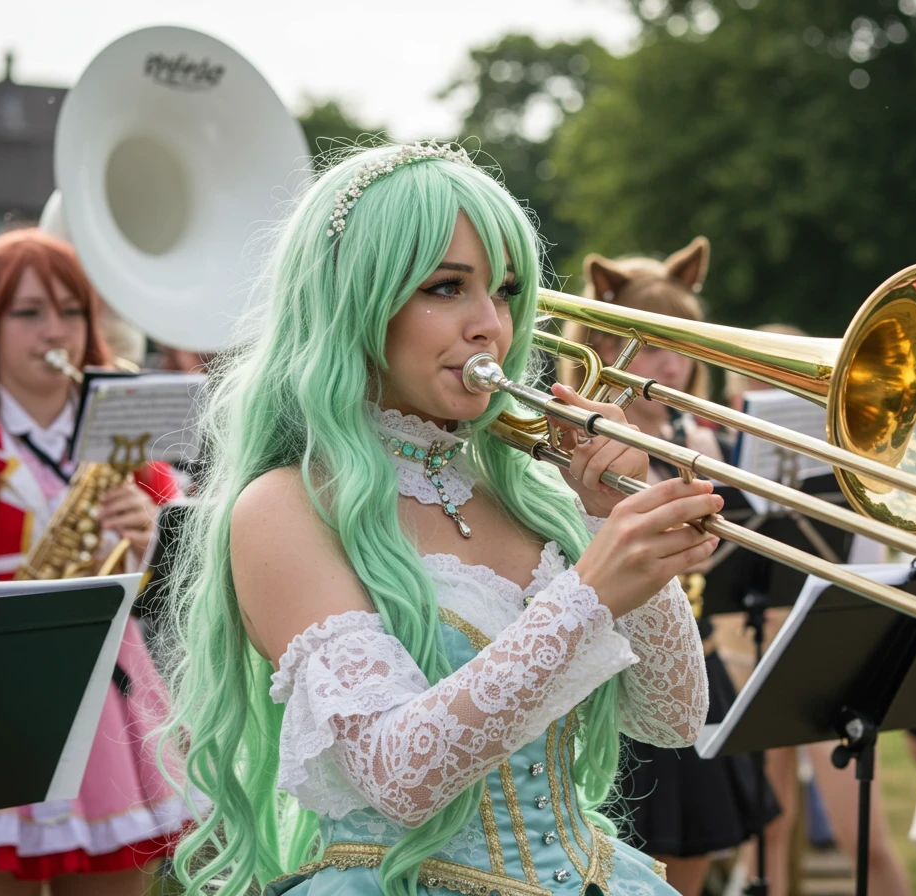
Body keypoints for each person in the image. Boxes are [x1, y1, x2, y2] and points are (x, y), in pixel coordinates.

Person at [158, 142, 716, 896]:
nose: (492, 325)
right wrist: (587, 592)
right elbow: (398, 774)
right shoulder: (285, 505)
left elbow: (674, 717)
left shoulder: (526, 488)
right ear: (358, 301)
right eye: (448, 288)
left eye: (506, 291)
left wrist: (608, 513)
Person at [559, 237, 779, 896]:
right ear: (601, 347)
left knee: (696, 857)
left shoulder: (703, 437)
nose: (672, 365)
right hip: (611, 679)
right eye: (650, 346)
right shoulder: (572, 442)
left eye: (678, 344)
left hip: (695, 660)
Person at [0, 228, 189, 895]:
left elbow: (192, 564)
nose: (56, 332)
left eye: (73, 311)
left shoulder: (121, 416)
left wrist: (151, 531)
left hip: (104, 689)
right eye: (30, 312)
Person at [720, 330, 912, 896]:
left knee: (867, 842)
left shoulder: (854, 477)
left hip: (833, 654)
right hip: (746, 648)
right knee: (766, 834)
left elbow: (872, 571)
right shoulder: (714, 461)